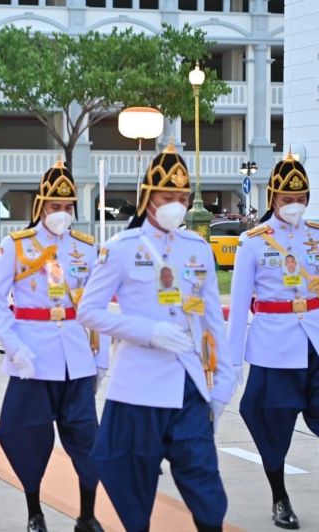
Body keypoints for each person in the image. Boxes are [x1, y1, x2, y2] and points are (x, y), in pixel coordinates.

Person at [77, 143, 235, 532]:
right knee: (133, 490)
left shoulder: (197, 248)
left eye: (183, 197)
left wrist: (223, 386)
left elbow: (213, 319)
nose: (177, 205)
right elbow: (89, 311)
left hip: (188, 385)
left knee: (206, 485)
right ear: (148, 199)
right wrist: (149, 333)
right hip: (138, 390)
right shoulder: (121, 249)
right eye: (169, 197)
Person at [0, 161, 108, 532]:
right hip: (33, 358)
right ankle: (34, 511)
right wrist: (14, 348)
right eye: (55, 206)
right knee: (26, 437)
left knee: (88, 441)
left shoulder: (85, 248)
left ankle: (87, 516)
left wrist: (99, 360)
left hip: (75, 357)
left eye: (68, 206)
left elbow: (95, 306)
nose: (62, 213)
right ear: (41, 206)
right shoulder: (17, 246)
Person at [228, 152, 319, 529]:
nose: (293, 206)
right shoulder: (253, 241)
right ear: (272, 200)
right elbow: (241, 301)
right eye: (286, 200)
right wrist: (231, 363)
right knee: (272, 428)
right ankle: (280, 498)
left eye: (300, 199)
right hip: (273, 347)